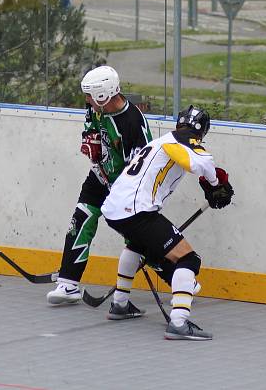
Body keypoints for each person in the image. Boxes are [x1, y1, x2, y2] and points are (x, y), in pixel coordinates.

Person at [100, 105, 234, 340]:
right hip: (136, 211)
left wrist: (210, 182)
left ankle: (120, 304)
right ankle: (179, 322)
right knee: (188, 259)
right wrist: (214, 184)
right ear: (202, 131)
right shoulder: (182, 139)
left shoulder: (162, 142)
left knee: (136, 246)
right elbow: (200, 163)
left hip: (115, 210)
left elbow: (188, 162)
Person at [46, 65, 153, 304]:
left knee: (139, 237)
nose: (86, 100)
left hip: (127, 187)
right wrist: (89, 142)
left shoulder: (132, 123)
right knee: (80, 219)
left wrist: (123, 192)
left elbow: (139, 168)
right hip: (99, 176)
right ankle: (68, 283)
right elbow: (90, 129)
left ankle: (176, 270)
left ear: (103, 95)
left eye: (89, 95)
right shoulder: (95, 107)